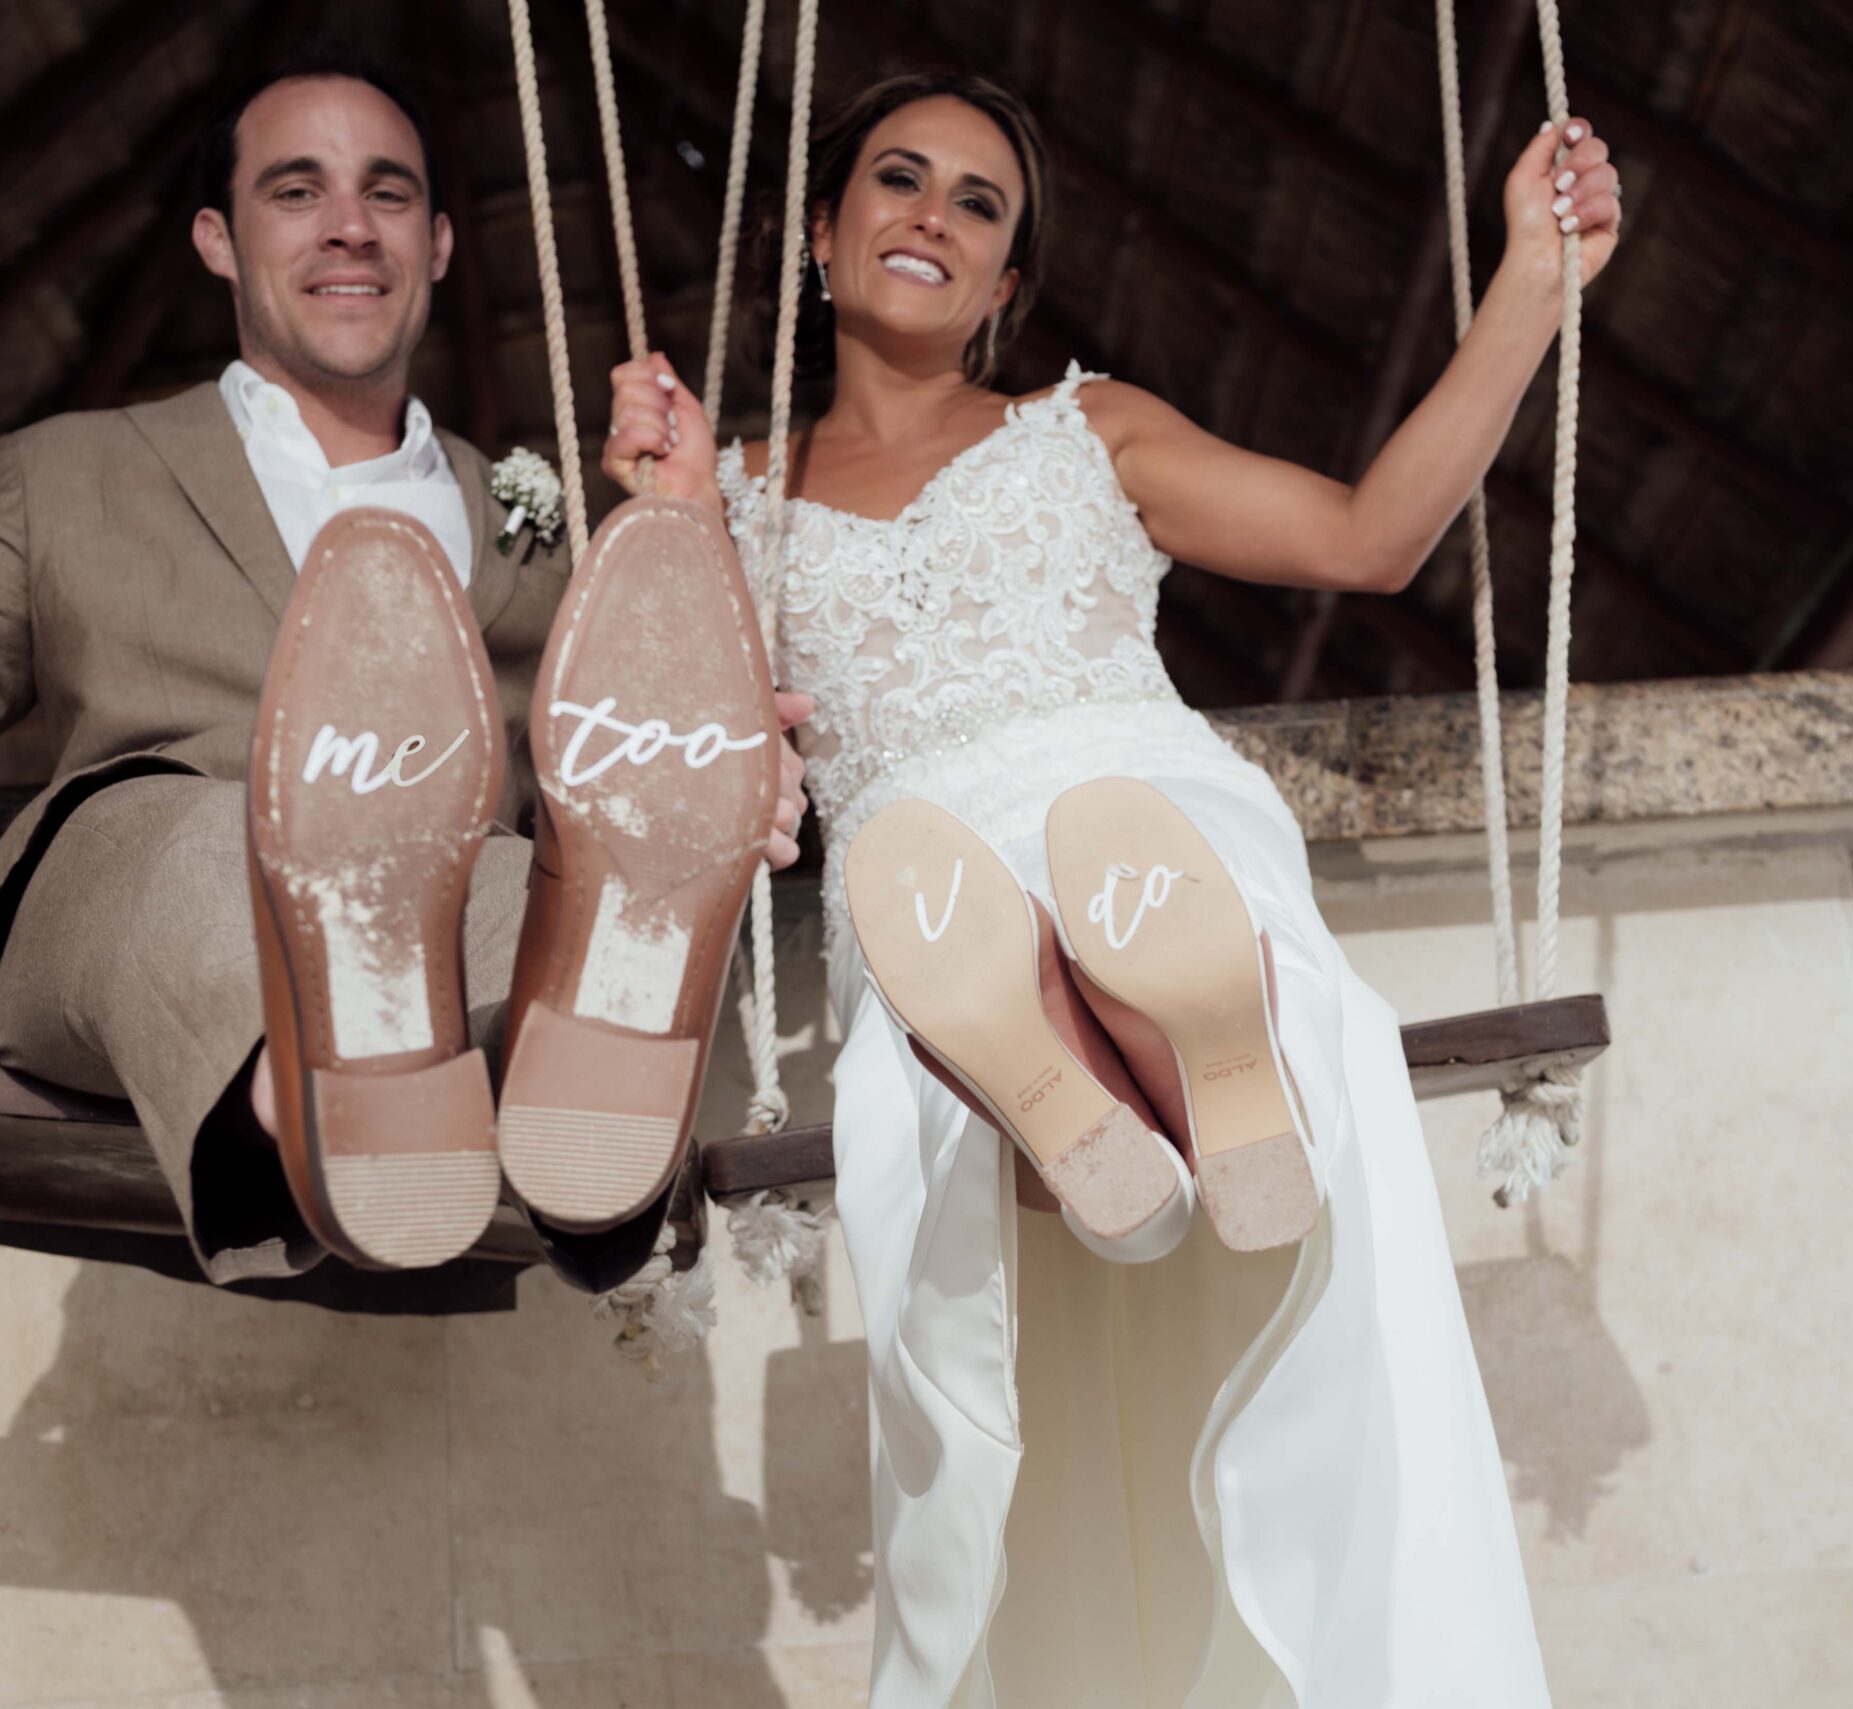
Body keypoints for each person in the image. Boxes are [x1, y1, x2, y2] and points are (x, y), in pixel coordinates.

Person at [604, 69, 1619, 1708]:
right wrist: (649, 531)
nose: (931, 212)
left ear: (1008, 286)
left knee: (1136, 859)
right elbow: (672, 775)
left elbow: (1368, 534)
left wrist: (1530, 281)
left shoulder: (1091, 426)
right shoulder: (727, 504)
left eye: (979, 202)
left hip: (1142, 809)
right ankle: (1084, 1081)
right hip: (920, 875)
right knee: (941, 967)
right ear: (821, 231)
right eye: (899, 177)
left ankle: (1173, 1055)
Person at [0, 45, 808, 1291]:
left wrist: (699, 637)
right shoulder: (69, 471)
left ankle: (584, 1136)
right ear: (216, 239)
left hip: (450, 921)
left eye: (387, 193)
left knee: (536, 877)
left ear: (442, 243)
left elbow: (665, 751)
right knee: (212, 840)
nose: (349, 226)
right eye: (296, 192)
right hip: (150, 889)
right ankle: (297, 1094)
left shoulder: (546, 524)